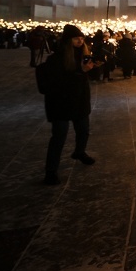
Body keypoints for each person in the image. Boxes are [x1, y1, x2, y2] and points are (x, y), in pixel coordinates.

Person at [40, 25, 99, 185]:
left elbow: (89, 76)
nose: (80, 40)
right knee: (59, 137)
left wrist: (95, 67)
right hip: (60, 103)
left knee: (84, 131)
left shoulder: (84, 55)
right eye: (76, 38)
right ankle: (51, 171)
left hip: (79, 101)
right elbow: (58, 82)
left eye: (82, 38)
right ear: (68, 41)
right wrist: (81, 71)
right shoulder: (56, 59)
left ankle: (79, 152)